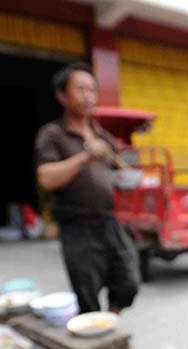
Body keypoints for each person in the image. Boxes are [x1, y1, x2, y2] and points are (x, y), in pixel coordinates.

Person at [35, 62, 139, 319]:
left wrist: (128, 177)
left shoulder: (102, 136)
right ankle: (95, 346)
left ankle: (109, 322)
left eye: (92, 89)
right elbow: (46, 178)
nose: (88, 95)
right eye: (80, 89)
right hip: (77, 225)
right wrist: (85, 156)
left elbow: (119, 170)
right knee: (87, 292)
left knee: (128, 281)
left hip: (108, 221)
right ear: (62, 95)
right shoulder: (53, 134)